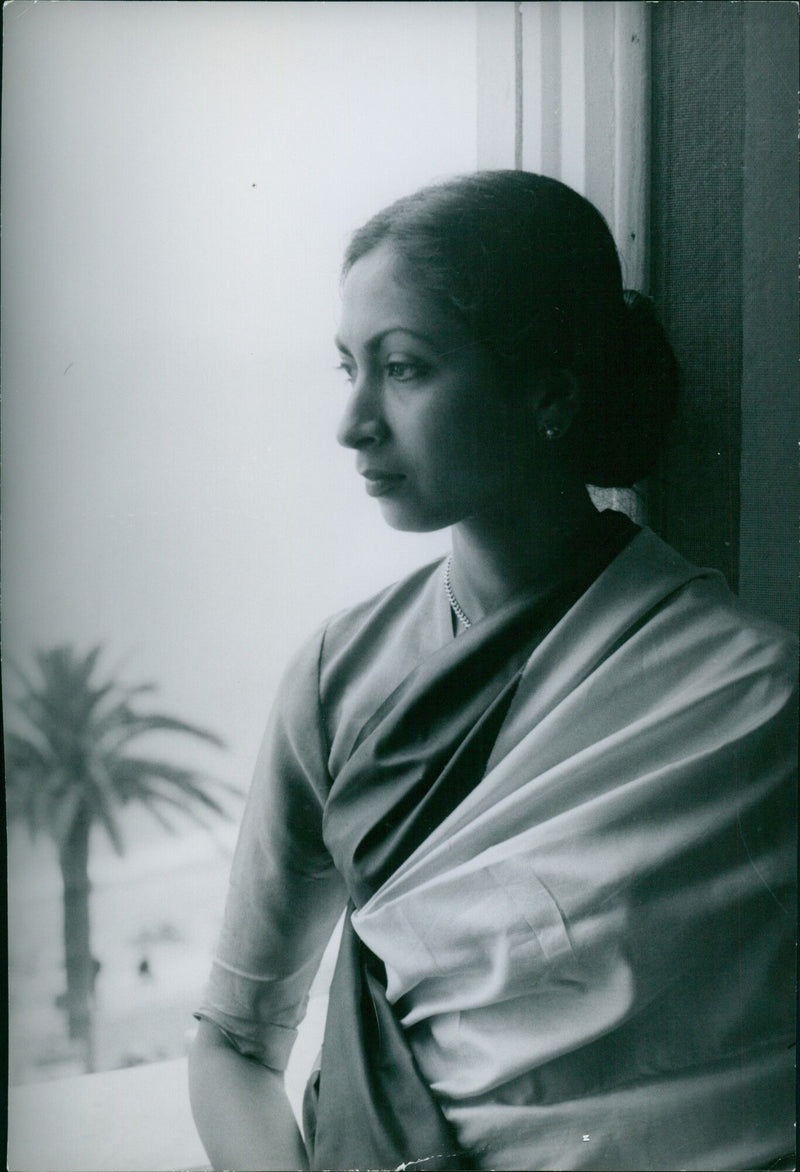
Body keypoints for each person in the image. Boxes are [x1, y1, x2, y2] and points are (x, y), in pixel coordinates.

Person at [188, 171, 797, 1171]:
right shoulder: (336, 678)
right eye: (348, 367)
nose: (353, 422)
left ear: (549, 391)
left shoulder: (751, 695)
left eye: (403, 367)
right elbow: (233, 1040)